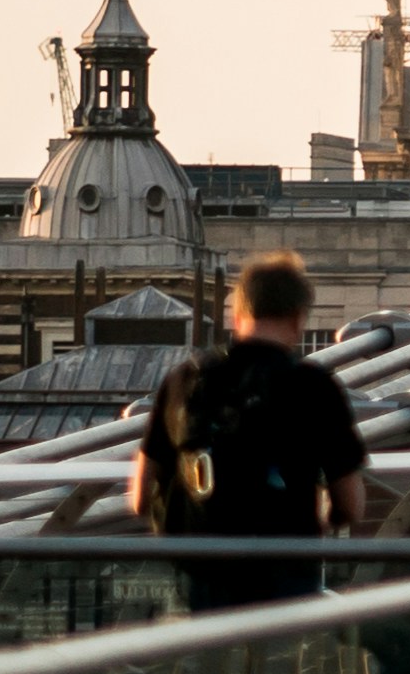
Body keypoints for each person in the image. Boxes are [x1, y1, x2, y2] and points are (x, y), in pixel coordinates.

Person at [127, 252, 375, 609]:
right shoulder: (314, 386)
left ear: (238, 315)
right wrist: (326, 518)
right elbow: (351, 504)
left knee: (207, 659)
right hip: (285, 573)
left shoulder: (185, 378)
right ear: (297, 318)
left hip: (199, 576)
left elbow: (139, 498)